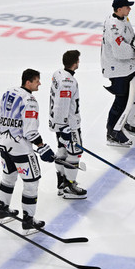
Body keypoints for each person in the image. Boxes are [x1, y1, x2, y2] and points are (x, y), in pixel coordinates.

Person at [0, 68, 55, 233]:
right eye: (37, 81)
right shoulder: (30, 100)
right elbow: (30, 131)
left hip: (3, 144)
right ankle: (28, 220)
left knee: (8, 178)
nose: (39, 84)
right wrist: (41, 146)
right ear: (28, 82)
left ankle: (3, 209)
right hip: (21, 149)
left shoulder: (8, 92)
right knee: (31, 183)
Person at [101, 0, 135, 147]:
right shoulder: (113, 26)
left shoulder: (123, 19)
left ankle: (126, 122)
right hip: (118, 69)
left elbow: (128, 39)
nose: (129, 9)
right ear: (119, 9)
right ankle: (112, 133)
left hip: (128, 67)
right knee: (122, 102)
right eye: (127, 7)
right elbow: (120, 51)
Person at [49, 50, 88, 200]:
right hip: (69, 125)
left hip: (59, 123)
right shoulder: (68, 81)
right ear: (75, 63)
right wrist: (65, 128)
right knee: (74, 153)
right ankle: (70, 186)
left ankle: (62, 183)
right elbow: (62, 106)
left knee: (62, 151)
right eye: (78, 60)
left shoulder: (58, 74)